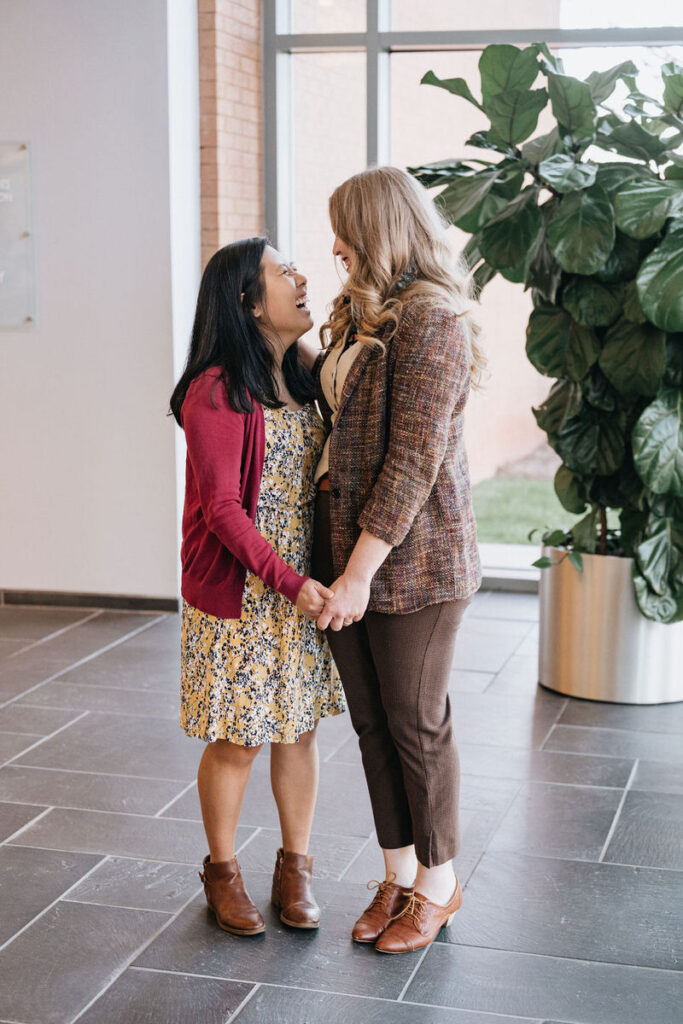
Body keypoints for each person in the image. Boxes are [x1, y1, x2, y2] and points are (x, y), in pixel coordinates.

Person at [299, 166, 484, 955]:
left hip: (412, 564)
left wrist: (356, 576)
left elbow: (412, 461)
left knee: (415, 720)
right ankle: (398, 874)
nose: (334, 243)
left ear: (378, 227)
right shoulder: (359, 313)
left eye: (344, 227)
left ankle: (440, 887)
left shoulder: (435, 320)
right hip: (347, 551)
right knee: (373, 722)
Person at [170, 238, 345, 937]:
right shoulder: (215, 389)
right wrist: (289, 581)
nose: (301, 279)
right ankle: (222, 871)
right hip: (245, 591)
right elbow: (222, 508)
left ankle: (294, 868)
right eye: (284, 272)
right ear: (247, 299)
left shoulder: (304, 374)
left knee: (297, 732)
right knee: (239, 738)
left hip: (300, 589)